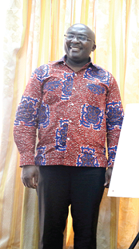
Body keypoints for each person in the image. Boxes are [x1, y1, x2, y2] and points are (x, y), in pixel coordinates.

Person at [13, 23, 124, 249]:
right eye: (71, 35)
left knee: (86, 232)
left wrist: (114, 163)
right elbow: (25, 116)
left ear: (93, 46)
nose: (75, 40)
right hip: (50, 164)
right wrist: (27, 161)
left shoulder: (106, 79)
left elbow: (116, 124)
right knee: (50, 230)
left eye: (82, 37)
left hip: (91, 168)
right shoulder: (43, 73)